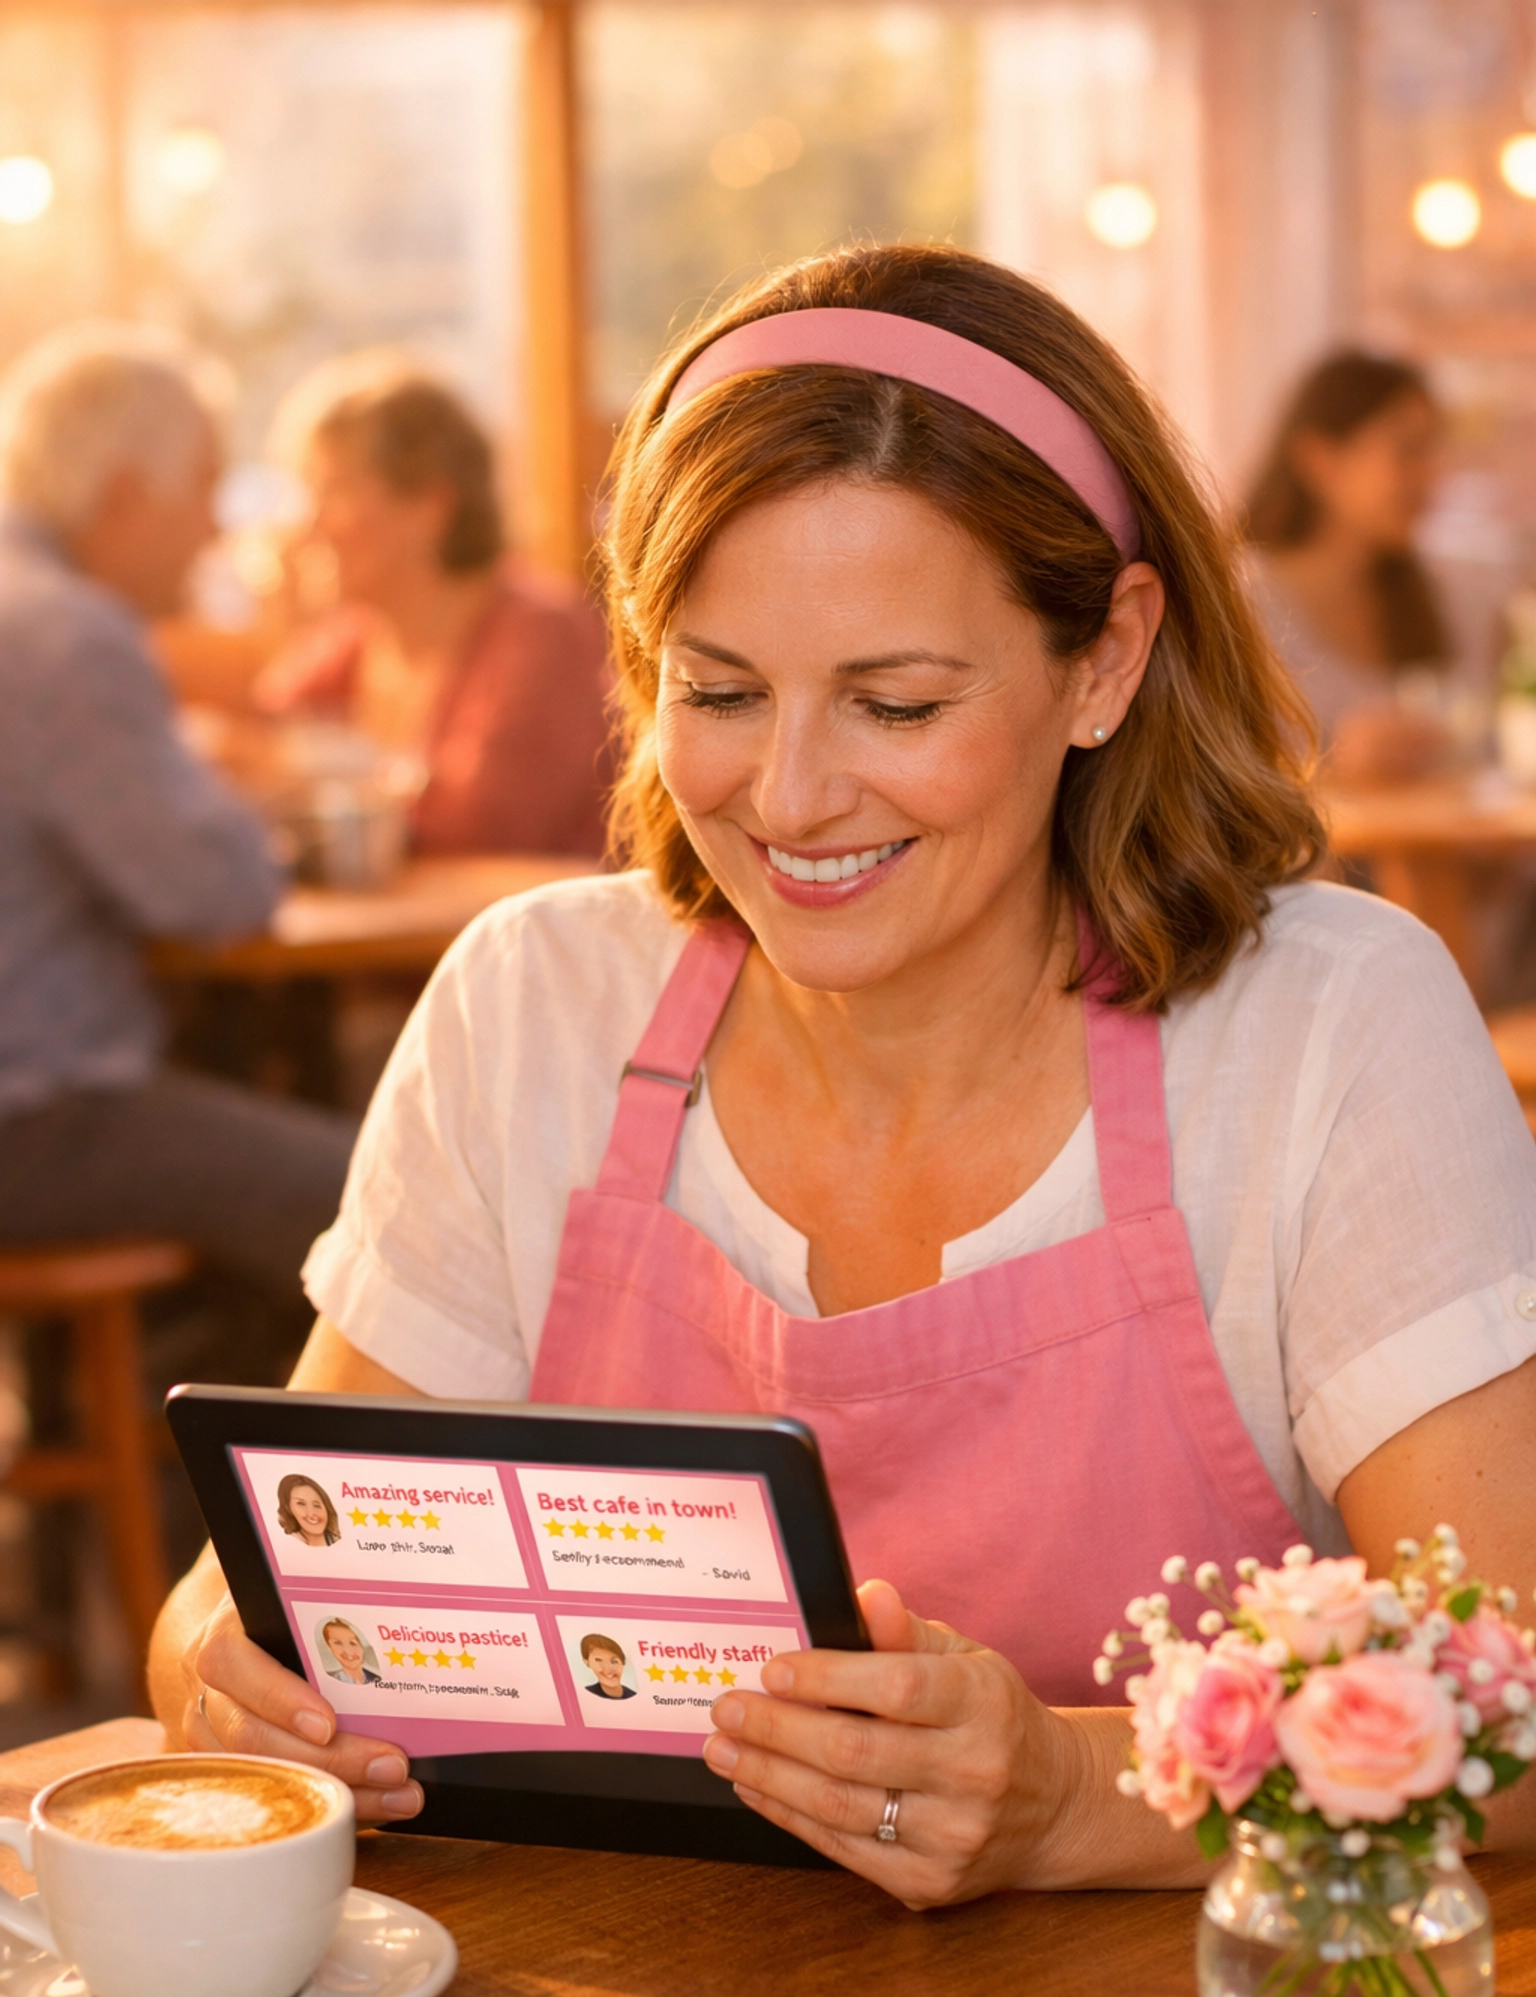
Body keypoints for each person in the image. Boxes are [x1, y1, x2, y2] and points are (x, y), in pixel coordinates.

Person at [151, 246, 1536, 1903]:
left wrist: (1076, 1795)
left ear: (1104, 659)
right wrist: (222, 1673)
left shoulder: (1326, 1027)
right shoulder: (534, 1005)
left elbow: (1514, 1697)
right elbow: (251, 1584)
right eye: (718, 691)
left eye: (895, 703)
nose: (793, 796)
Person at [0, 322, 355, 1296]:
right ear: (123, 496)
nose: (214, 530)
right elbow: (217, 891)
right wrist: (225, 792)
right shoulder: (64, 636)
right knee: (391, 1197)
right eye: (203, 489)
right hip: (34, 1115)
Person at [252, 356, 613, 857]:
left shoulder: (543, 633)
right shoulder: (354, 637)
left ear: (430, 505)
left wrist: (303, 768)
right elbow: (261, 747)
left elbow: (484, 824)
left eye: (333, 490)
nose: (307, 524)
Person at [1243, 351, 1455, 786]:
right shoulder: (1240, 602)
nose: (1431, 476)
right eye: (1408, 451)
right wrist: (1333, 766)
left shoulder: (1434, 592)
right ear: (1318, 458)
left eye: (1433, 451)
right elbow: (1209, 785)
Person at [276, 1474, 340, 1548]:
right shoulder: (286, 1546)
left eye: (316, 1505)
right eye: (301, 1504)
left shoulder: (340, 1542)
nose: (311, 1513)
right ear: (288, 1508)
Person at [318, 1619, 380, 1687]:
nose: (348, 1650)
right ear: (329, 1646)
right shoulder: (328, 1683)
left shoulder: (377, 1679)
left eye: (353, 1643)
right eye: (338, 1643)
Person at [580, 1632, 635, 1700]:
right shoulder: (585, 1696)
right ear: (587, 1662)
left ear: (623, 1662)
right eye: (598, 1660)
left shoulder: (634, 1697)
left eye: (614, 1661)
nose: (608, 1669)